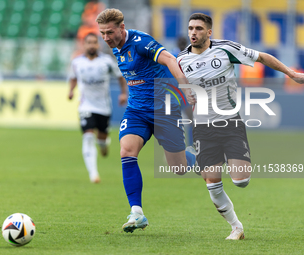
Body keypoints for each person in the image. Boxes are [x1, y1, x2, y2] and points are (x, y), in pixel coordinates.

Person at [177, 13, 304, 240]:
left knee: (241, 181)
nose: (193, 33)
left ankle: (202, 161)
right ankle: (236, 227)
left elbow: (262, 57)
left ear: (209, 32)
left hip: (230, 123)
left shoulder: (226, 49)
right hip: (203, 128)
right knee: (213, 185)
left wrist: (291, 73)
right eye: (190, 28)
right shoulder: (181, 61)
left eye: (198, 28)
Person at [96, 8, 196, 233]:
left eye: (109, 32)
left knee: (179, 168)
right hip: (137, 111)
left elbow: (170, 59)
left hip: (164, 110)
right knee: (126, 151)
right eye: (102, 33)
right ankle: (137, 212)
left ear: (122, 28)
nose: (106, 38)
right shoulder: (116, 47)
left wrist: (186, 87)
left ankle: (196, 157)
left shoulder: (142, 42)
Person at [68, 33, 127, 183]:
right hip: (85, 105)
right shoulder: (77, 62)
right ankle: (93, 174)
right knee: (88, 137)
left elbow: (120, 77)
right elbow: (73, 78)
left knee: (101, 139)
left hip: (103, 107)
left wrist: (123, 94)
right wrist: (71, 90)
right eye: (89, 43)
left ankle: (104, 145)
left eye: (95, 42)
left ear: (98, 45)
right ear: (84, 44)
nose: (92, 45)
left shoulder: (106, 62)